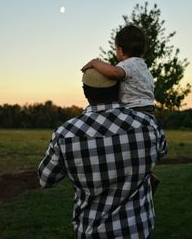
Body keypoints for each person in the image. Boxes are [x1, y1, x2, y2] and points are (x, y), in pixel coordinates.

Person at [38, 68, 167, 239]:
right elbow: (162, 151)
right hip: (139, 228)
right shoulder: (148, 123)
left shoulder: (66, 134)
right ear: (118, 88)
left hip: (92, 230)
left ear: (85, 92)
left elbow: (45, 179)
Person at [81, 24, 155, 114]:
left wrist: (95, 62)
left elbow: (114, 72)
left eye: (115, 49)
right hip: (149, 108)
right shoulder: (143, 67)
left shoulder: (128, 64)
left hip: (133, 109)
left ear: (120, 50)